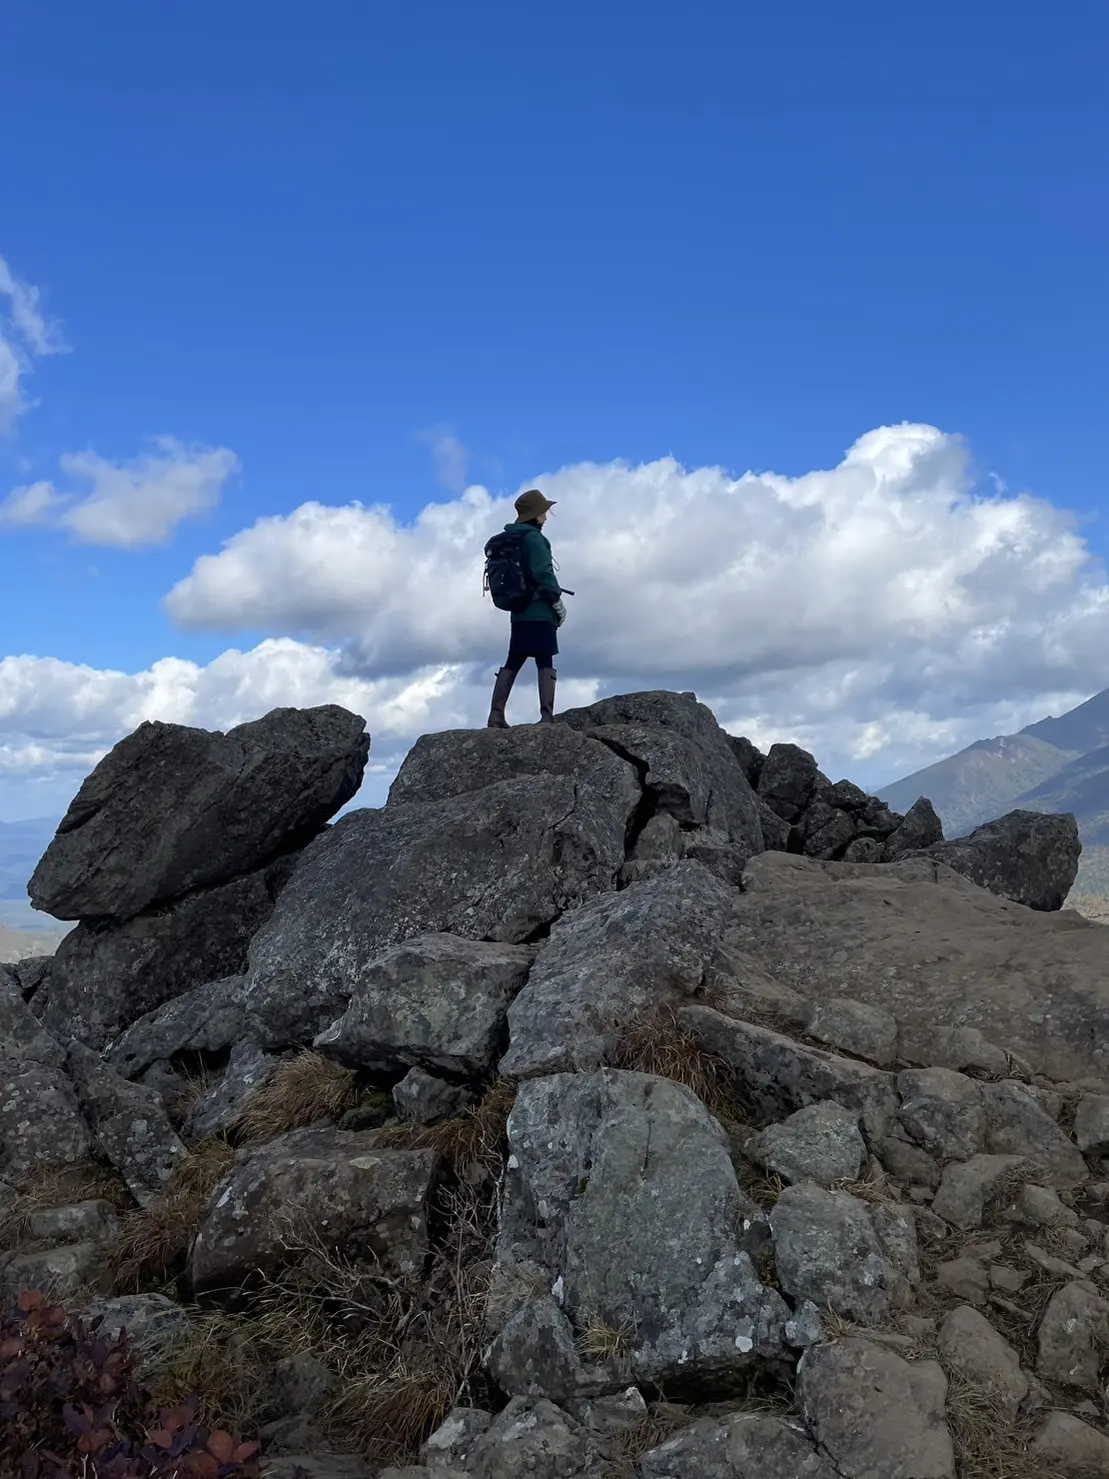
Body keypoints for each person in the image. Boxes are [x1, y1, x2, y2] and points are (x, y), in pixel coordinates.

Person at [487, 488, 567, 727]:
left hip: (518, 613)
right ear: (536, 514)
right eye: (544, 511)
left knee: (514, 660)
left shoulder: (513, 538)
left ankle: (496, 714)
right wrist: (557, 603)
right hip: (540, 611)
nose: (546, 515)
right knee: (544, 660)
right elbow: (543, 573)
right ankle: (546, 716)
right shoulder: (535, 539)